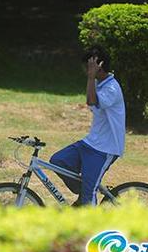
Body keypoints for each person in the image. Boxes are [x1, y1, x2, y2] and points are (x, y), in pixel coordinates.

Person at [49, 45, 125, 206]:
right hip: (91, 143)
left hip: (105, 149)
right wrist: (92, 78)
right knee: (58, 161)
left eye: (89, 66)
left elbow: (91, 101)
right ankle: (86, 190)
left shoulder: (112, 88)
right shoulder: (99, 83)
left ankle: (91, 217)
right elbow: (90, 101)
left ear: (99, 66)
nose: (85, 70)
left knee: (89, 195)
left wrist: (91, 77)